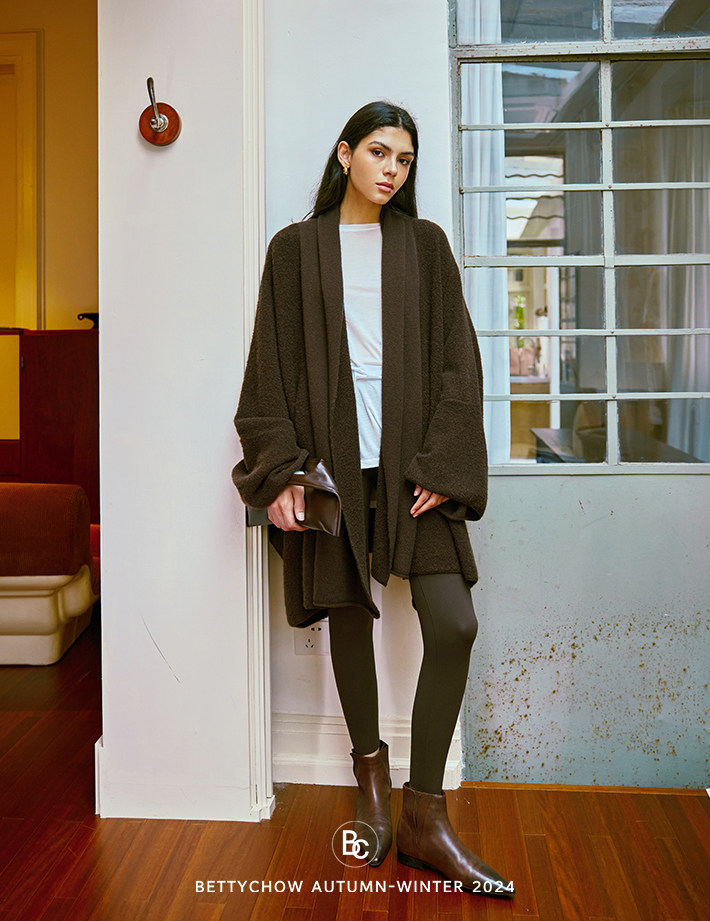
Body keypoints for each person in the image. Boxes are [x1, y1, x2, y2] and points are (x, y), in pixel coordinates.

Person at [232, 101, 513, 897]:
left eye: (405, 159)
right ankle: (374, 795)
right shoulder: (295, 251)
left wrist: (444, 462)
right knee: (350, 616)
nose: (392, 169)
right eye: (380, 152)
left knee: (453, 623)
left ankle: (425, 814)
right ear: (345, 154)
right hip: (335, 470)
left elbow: (459, 363)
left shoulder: (424, 246)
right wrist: (282, 471)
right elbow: (268, 368)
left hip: (413, 468)